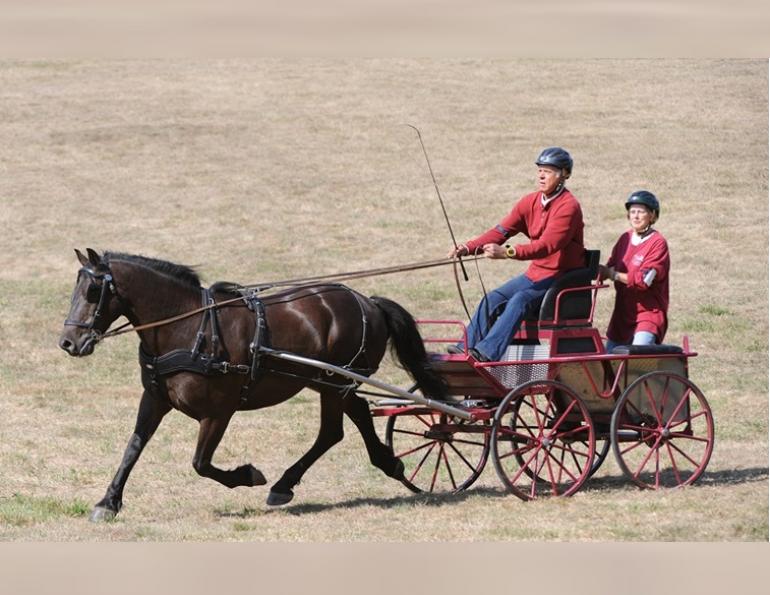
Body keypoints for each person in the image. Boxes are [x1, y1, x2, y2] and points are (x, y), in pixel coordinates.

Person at [446, 147, 585, 361]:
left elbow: (548, 245)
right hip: (536, 274)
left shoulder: (569, 207)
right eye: (540, 170)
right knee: (492, 298)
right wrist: (468, 247)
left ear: (564, 174)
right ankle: (464, 348)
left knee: (520, 300)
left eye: (548, 171)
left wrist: (507, 252)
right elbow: (501, 231)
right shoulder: (529, 202)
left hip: (562, 278)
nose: (541, 175)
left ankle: (486, 353)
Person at [598, 190, 670, 353]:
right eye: (632, 212)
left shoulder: (658, 244)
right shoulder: (624, 238)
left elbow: (644, 280)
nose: (636, 216)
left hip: (647, 316)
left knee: (636, 362)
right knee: (609, 369)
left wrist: (613, 274)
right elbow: (610, 267)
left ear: (652, 216)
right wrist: (596, 271)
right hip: (621, 318)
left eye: (641, 212)